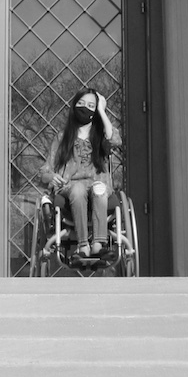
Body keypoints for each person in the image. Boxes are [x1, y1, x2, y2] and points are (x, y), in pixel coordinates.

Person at [40, 88, 121, 262]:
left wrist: (101, 111)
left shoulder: (100, 136)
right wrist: (52, 176)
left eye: (91, 105)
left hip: (98, 184)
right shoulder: (62, 138)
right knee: (77, 189)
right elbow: (45, 172)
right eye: (81, 104)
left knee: (99, 188)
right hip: (70, 186)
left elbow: (114, 139)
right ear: (74, 106)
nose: (85, 108)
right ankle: (83, 247)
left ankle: (99, 245)